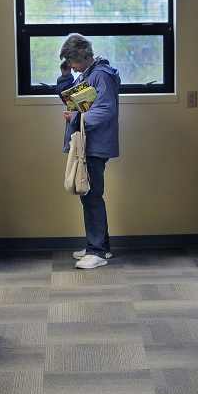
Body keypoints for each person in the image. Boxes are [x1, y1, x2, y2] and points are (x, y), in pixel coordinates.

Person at [56, 33, 120, 269]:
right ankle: (100, 245)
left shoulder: (101, 75)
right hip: (89, 143)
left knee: (91, 195)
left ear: (81, 56)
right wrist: (65, 77)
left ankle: (97, 252)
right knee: (90, 195)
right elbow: (71, 98)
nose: (70, 65)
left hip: (95, 145)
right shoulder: (89, 74)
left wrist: (75, 118)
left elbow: (105, 109)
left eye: (71, 61)